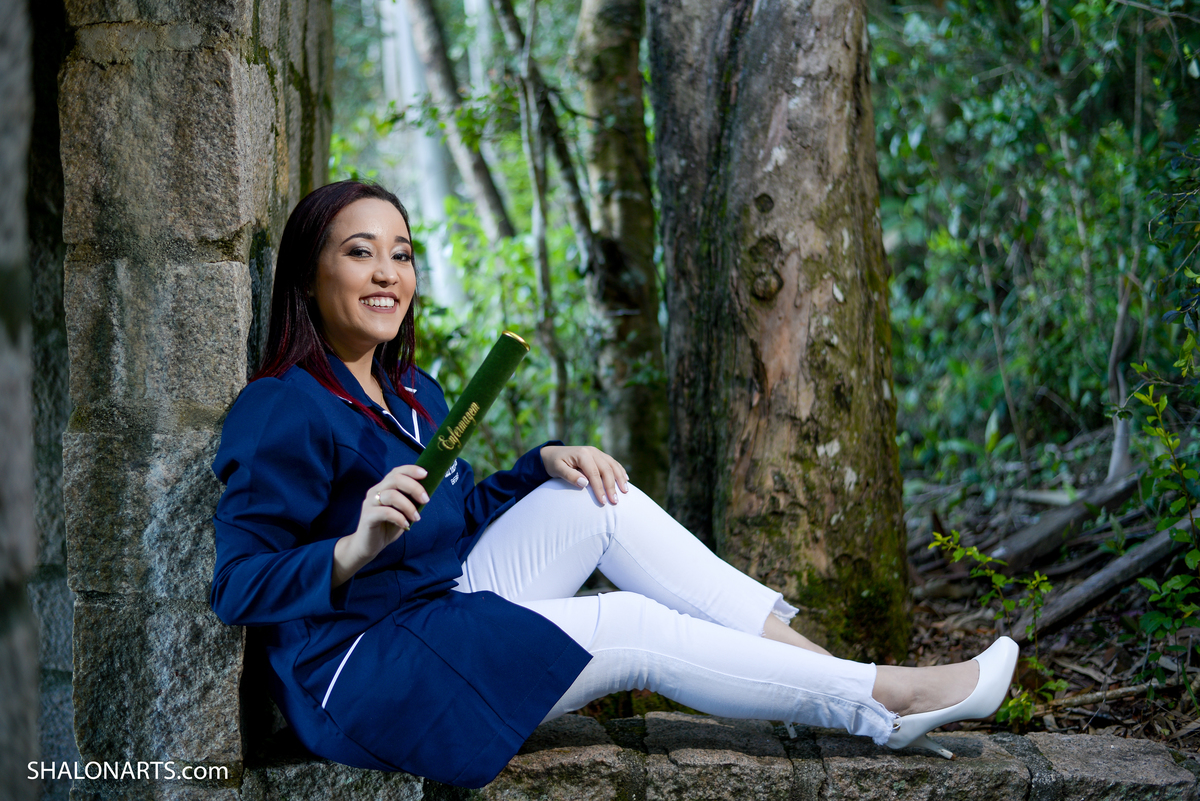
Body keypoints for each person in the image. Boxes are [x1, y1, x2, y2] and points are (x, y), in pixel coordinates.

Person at [209, 181, 1018, 789]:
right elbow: (236, 585)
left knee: (600, 498)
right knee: (629, 622)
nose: (387, 272)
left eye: (402, 253)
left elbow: (447, 519)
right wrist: (351, 548)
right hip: (362, 669)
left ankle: (835, 672)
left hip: (437, 605)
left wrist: (540, 463)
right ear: (307, 274)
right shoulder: (283, 405)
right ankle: (886, 700)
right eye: (359, 252)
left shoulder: (415, 391)